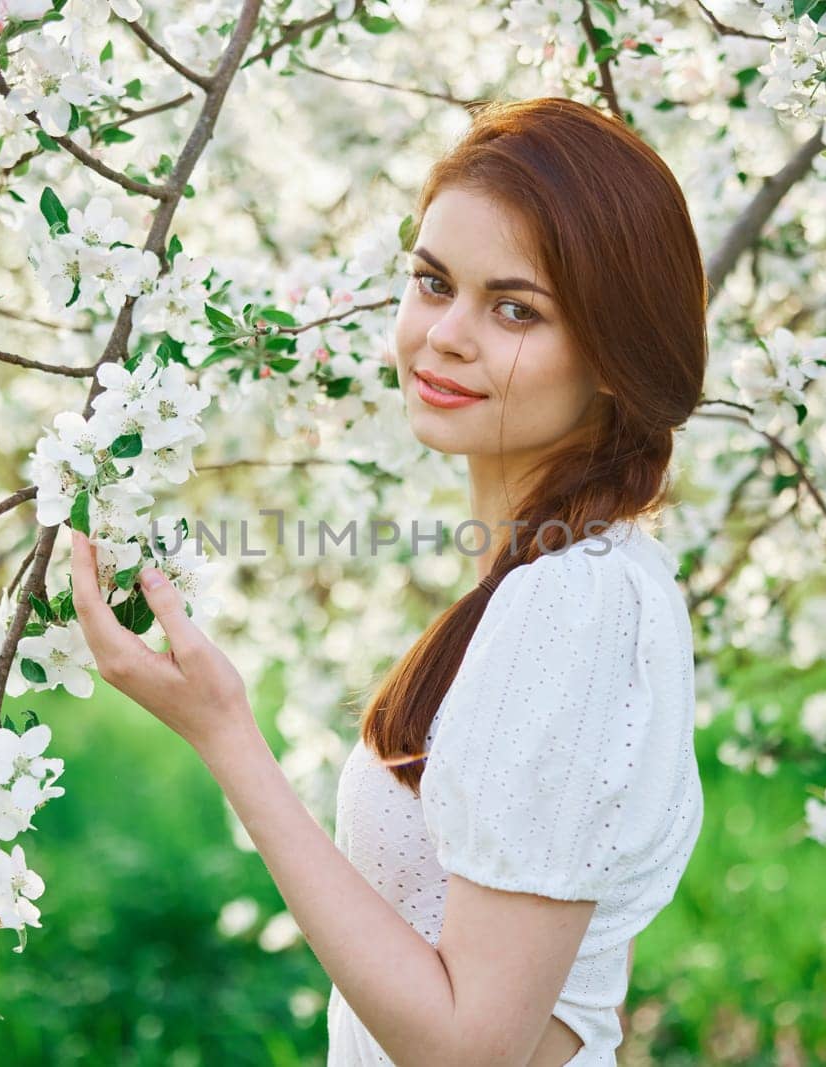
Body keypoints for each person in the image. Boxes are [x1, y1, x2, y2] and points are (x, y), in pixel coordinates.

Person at [69, 95, 708, 1066]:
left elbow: (467, 1047)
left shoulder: (571, 601)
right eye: (432, 281)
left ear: (613, 353)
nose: (446, 334)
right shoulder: (565, 573)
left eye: (514, 308)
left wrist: (223, 732)